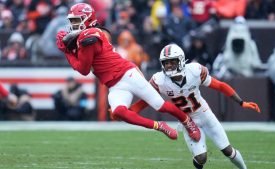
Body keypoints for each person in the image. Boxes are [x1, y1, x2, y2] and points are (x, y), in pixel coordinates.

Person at [56, 3, 200, 141]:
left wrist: (67, 51)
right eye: (72, 21)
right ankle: (159, 126)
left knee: (160, 105)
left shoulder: (89, 35)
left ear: (88, 19)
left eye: (76, 20)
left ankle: (187, 121)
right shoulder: (84, 36)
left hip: (127, 74)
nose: (73, 24)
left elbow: (83, 69)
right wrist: (70, 47)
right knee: (118, 113)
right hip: (114, 84)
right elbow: (82, 60)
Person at [129, 44, 261, 169]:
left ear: (180, 61)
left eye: (172, 61)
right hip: (188, 121)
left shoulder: (195, 71)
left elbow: (220, 86)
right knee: (201, 158)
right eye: (165, 62)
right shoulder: (159, 80)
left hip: (205, 114)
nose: (168, 66)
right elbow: (146, 100)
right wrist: (127, 112)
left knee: (227, 150)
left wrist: (241, 102)